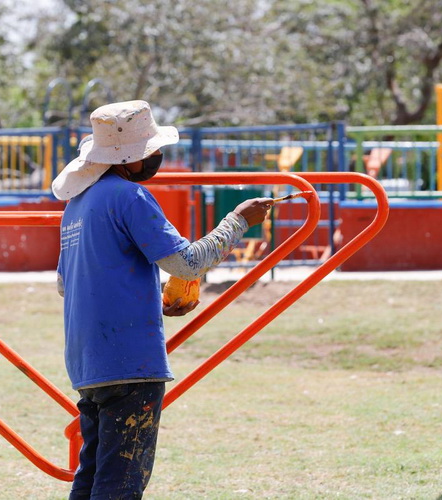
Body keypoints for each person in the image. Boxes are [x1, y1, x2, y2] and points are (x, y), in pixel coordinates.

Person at [52, 100, 273, 499]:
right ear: (128, 159)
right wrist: (238, 220)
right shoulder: (129, 197)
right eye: (150, 151)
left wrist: (148, 296)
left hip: (87, 361)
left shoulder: (76, 206)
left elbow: (70, 284)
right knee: (120, 482)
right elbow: (188, 264)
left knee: (92, 475)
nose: (157, 157)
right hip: (131, 363)